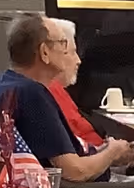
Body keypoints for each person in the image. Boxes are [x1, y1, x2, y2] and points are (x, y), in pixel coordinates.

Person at [0, 15, 134, 184]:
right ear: (44, 52)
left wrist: (106, 154)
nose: (67, 51)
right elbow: (75, 171)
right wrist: (112, 152)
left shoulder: (4, 83)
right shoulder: (32, 94)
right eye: (62, 43)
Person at [43, 16, 106, 153]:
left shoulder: (57, 89)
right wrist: (112, 154)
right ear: (46, 53)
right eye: (72, 52)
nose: (78, 60)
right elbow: (74, 162)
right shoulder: (44, 91)